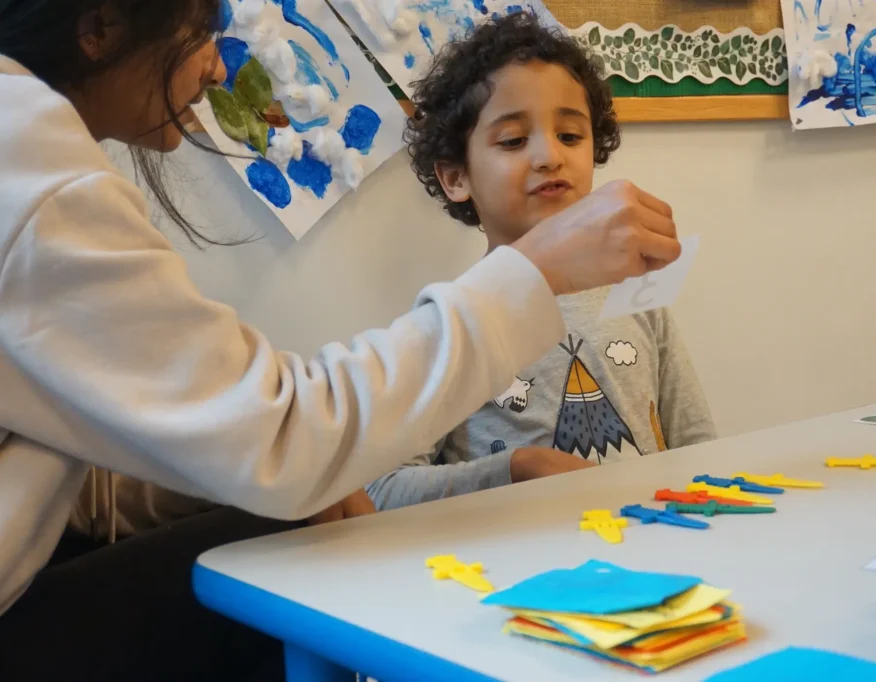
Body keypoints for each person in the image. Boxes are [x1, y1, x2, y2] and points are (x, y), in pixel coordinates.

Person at [0, 2, 682, 681]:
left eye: (572, 134)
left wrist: (253, 473)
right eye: (203, 32)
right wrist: (536, 274)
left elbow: (82, 475)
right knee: (306, 567)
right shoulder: (36, 173)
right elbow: (294, 440)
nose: (216, 65)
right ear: (100, 29)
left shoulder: (642, 312)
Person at [367, 13, 716, 512]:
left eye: (570, 136)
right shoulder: (455, 322)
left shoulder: (635, 291)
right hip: (525, 574)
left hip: (657, 549)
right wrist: (510, 471)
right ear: (455, 178)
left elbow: (696, 443)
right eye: (512, 141)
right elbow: (382, 489)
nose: (549, 156)